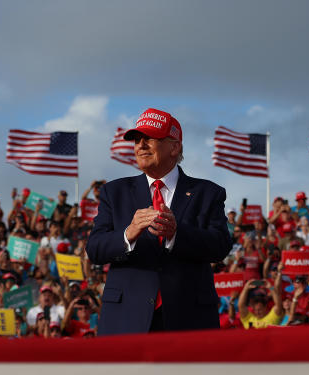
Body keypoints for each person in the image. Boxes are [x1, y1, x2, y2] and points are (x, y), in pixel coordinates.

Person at [87, 108, 231, 334]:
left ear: (174, 147)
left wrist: (176, 234)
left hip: (189, 319)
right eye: (137, 140)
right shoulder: (114, 192)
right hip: (126, 319)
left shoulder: (208, 193)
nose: (140, 145)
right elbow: (95, 250)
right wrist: (128, 234)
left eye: (149, 138)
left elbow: (220, 247)